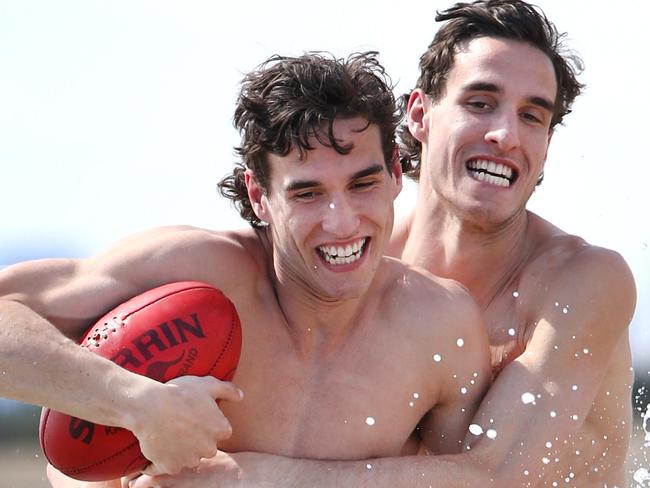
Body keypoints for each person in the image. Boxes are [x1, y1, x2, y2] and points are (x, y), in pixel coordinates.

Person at [126, 2, 636, 487]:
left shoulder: (583, 282)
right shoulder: (350, 261)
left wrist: (261, 478)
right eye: (480, 103)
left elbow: (503, 478)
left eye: (533, 116)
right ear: (418, 114)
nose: (505, 134)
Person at [0, 52, 491, 487]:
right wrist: (134, 401)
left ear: (394, 173)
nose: (341, 222)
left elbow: (481, 478)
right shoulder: (194, 272)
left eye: (362, 184)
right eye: (307, 193)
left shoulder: (439, 327)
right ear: (259, 195)